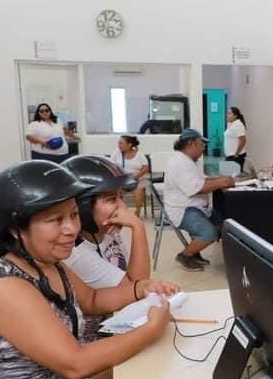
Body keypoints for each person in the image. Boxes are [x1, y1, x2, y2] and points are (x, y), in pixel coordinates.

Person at [0, 160, 178, 379]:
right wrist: (150, 329)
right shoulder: (7, 289)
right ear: (15, 230)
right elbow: (76, 363)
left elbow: (93, 299)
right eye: (56, 220)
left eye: (73, 215)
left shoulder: (48, 264)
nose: (71, 228)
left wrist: (140, 288)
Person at [62, 155, 156, 342]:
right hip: (96, 337)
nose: (122, 207)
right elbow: (135, 287)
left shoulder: (108, 232)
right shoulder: (76, 253)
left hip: (118, 318)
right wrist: (138, 227)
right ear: (83, 208)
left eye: (121, 196)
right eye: (112, 199)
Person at [164, 128, 234, 271]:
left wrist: (219, 179)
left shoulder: (188, 160)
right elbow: (196, 188)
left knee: (224, 226)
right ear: (191, 144)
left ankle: (195, 252)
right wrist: (221, 182)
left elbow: (201, 179)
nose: (204, 148)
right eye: (202, 144)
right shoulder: (179, 162)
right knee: (209, 233)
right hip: (183, 209)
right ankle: (185, 255)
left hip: (195, 206)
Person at [109, 135, 148, 217]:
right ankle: (120, 211)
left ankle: (137, 212)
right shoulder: (117, 152)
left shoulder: (139, 154)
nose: (119, 145)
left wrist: (136, 175)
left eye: (121, 143)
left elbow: (145, 168)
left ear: (129, 145)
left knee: (138, 190)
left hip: (138, 178)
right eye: (118, 143)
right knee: (117, 190)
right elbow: (111, 165)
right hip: (122, 178)